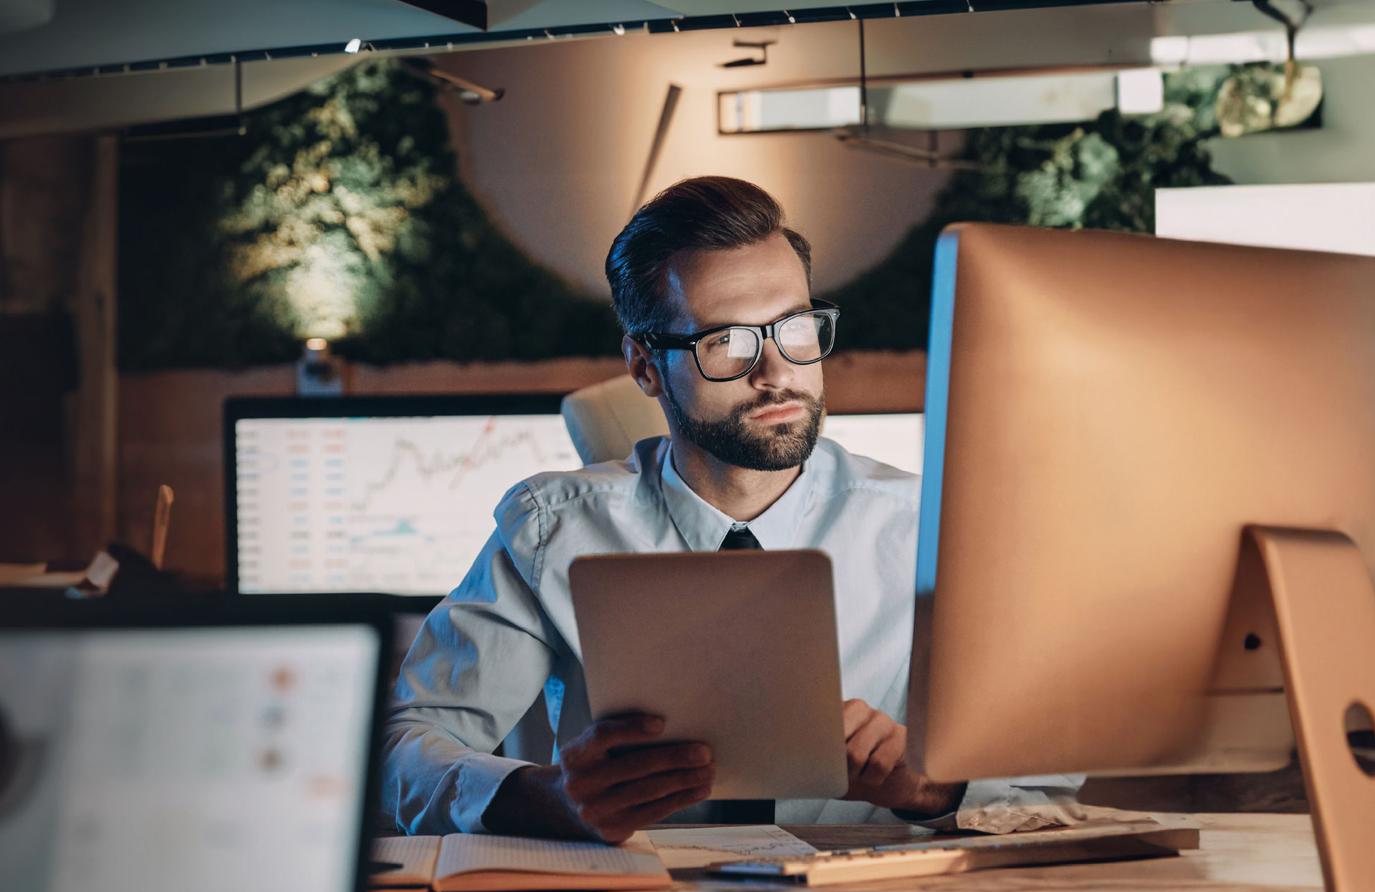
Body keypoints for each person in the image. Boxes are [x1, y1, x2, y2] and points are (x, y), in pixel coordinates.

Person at [381, 176, 1080, 841]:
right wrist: (546, 798)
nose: (777, 373)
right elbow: (403, 745)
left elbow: (1054, 791)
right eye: (725, 342)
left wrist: (933, 791)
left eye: (795, 328)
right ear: (645, 366)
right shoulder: (552, 528)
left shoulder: (930, 530)